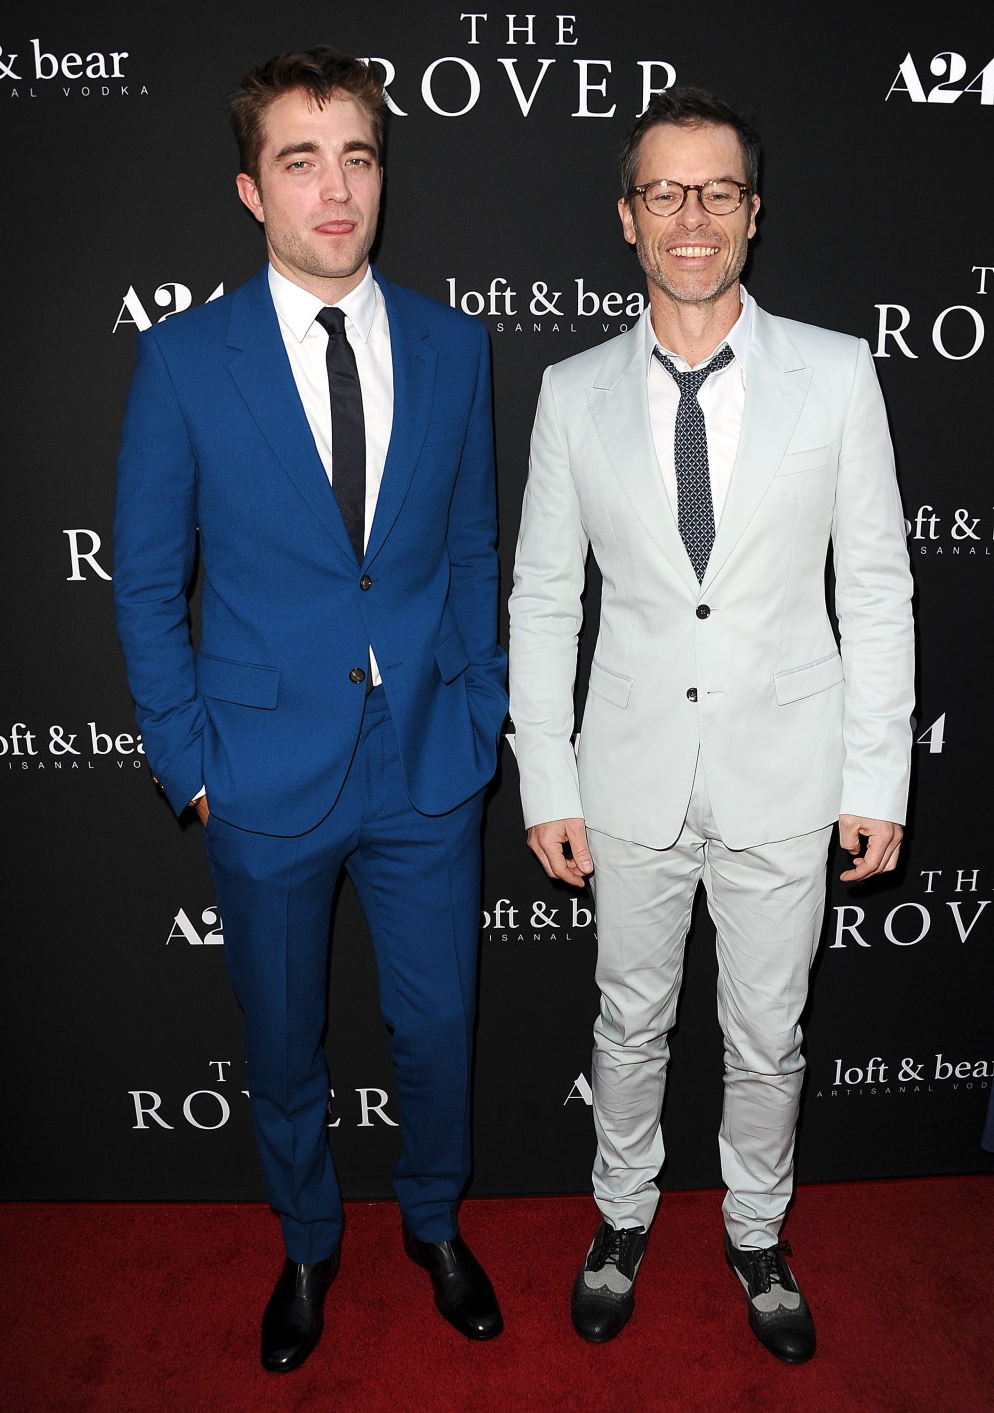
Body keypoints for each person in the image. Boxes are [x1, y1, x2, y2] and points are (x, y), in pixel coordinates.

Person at [113, 45, 508, 1372]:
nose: (335, 191)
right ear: (251, 188)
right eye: (300, 161)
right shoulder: (184, 362)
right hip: (258, 770)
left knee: (438, 1029)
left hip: (426, 760)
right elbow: (146, 583)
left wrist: (479, 707)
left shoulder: (454, 348)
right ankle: (304, 1243)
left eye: (356, 158)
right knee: (283, 1041)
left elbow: (470, 550)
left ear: (382, 175)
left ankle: (434, 1223)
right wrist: (190, 763)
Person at [508, 88, 914, 1362]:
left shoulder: (836, 374)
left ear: (753, 212)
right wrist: (547, 781)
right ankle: (621, 1217)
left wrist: (878, 778)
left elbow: (877, 587)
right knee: (627, 1025)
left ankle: (755, 1231)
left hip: (787, 774)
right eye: (666, 192)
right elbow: (544, 598)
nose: (693, 216)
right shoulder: (572, 391)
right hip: (628, 775)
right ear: (628, 217)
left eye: (718, 191)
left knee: (767, 1036)